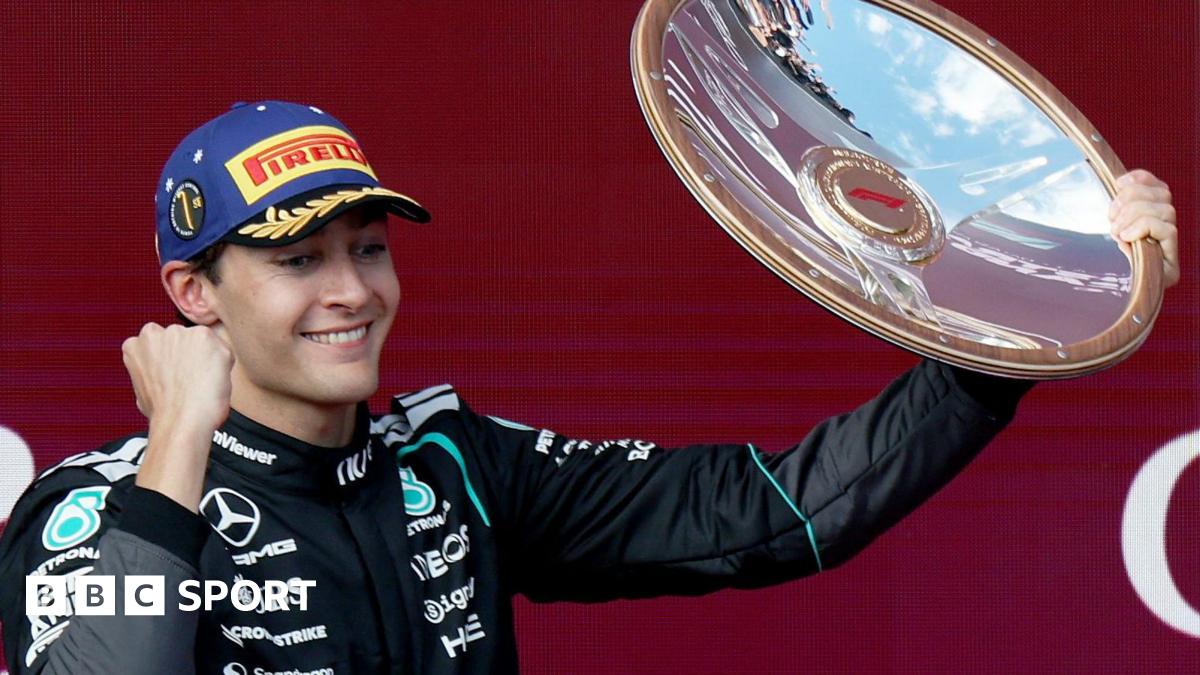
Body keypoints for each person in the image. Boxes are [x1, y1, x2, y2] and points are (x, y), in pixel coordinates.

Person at [0, 101, 1179, 674]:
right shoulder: (92, 511)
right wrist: (181, 451)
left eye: (369, 249)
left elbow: (782, 509)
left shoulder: (452, 464)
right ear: (194, 294)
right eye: (297, 260)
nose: (351, 291)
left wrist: (1023, 329)